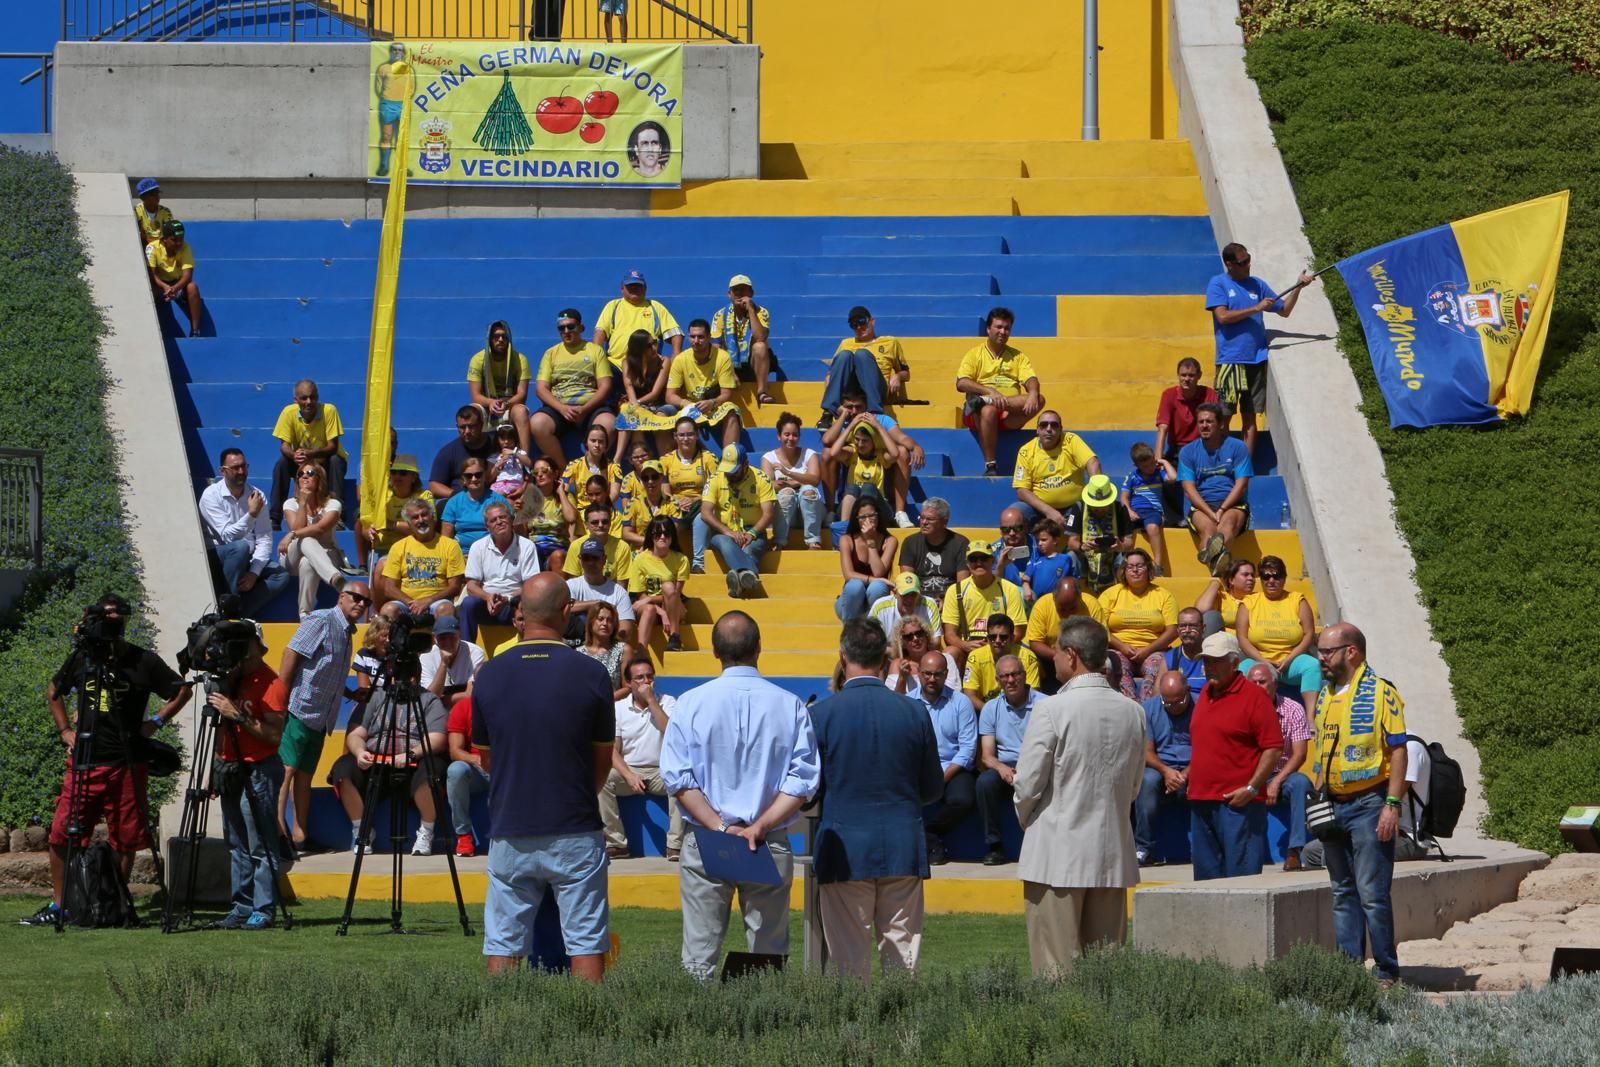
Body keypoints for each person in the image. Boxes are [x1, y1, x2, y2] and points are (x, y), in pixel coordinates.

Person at [471, 574, 615, 981]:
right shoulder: (591, 673)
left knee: (503, 942)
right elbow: (601, 760)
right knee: (585, 941)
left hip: (511, 823)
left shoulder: (491, 673)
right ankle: (589, 1029)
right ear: (566, 612)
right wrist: (577, 796)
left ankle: (500, 1027)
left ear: (523, 615)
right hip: (573, 824)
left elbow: (487, 759)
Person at [660, 611, 820, 979]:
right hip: (765, 837)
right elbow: (802, 781)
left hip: (708, 837)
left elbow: (679, 779)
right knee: (768, 954)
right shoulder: (789, 704)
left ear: (716, 651)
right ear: (759, 646)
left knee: (698, 956)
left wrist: (719, 826)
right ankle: (764, 1029)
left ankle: (694, 1029)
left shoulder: (690, 703)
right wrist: (759, 826)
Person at [25, 596, 191, 927]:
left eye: (118, 618)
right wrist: (65, 731)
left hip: (126, 763)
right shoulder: (83, 657)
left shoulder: (143, 661)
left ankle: (112, 902)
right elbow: (54, 691)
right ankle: (61, 905)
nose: (113, 624)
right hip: (85, 760)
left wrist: (155, 722)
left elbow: (181, 690)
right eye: (107, 617)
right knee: (62, 833)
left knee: (126, 837)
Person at [810, 618, 944, 979]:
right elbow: (933, 788)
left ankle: (855, 1036)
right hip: (901, 845)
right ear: (885, 659)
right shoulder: (914, 711)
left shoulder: (820, 715)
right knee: (902, 961)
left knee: (848, 963)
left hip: (844, 848)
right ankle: (903, 1034)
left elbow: (807, 791)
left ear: (842, 657)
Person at [1013, 616, 1146, 976]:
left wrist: (1031, 821)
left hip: (1057, 854)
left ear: (1071, 655)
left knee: (1055, 969)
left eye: (1056, 651)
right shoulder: (1133, 712)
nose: (1053, 658)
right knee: (1107, 970)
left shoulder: (1051, 709)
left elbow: (1026, 784)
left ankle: (1063, 1033)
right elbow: (1133, 787)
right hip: (1112, 854)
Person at [1309, 623, 1409, 987]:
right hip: (1333, 805)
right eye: (1320, 651)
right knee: (1342, 893)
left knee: (1372, 894)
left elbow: (1398, 750)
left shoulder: (1382, 693)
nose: (1320, 658)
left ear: (1351, 652)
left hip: (1370, 804)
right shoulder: (1325, 694)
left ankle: (1386, 971)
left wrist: (1392, 804)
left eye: (1327, 651)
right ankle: (1347, 972)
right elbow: (1321, 749)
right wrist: (1317, 798)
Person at [206, 626, 289, 929]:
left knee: (260, 844)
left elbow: (274, 736)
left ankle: (263, 909)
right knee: (236, 842)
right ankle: (241, 906)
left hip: (259, 768)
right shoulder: (231, 679)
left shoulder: (272, 683)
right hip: (230, 768)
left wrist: (237, 714)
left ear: (259, 647)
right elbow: (219, 730)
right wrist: (214, 767)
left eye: (245, 644)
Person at [275, 584, 366, 853]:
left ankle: (300, 836)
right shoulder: (321, 619)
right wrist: (279, 700)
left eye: (366, 601)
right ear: (342, 597)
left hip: (322, 715)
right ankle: (278, 834)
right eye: (356, 597)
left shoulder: (347, 631)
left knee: (304, 776)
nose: (361, 604)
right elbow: (291, 653)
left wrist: (349, 692)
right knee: (286, 772)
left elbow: (326, 669)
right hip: (299, 708)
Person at [1187, 631, 1283, 881]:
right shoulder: (1205, 695)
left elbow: (1273, 748)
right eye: (1206, 661)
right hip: (1201, 802)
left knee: (1241, 884)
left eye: (1216, 661)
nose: (1209, 667)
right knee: (1206, 887)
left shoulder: (1254, 698)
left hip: (1238, 806)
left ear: (1234, 662)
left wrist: (1252, 788)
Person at [1206, 243, 1316, 456]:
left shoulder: (1257, 284)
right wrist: (1255, 308)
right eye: (1243, 262)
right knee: (1224, 415)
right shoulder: (1218, 284)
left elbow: (1284, 310)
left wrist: (1298, 287)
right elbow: (1222, 317)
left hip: (1256, 360)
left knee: (1251, 415)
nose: (1248, 265)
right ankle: (1219, 460)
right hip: (1231, 360)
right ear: (1229, 264)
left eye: (1249, 259)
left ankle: (1245, 464)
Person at [1301, 736, 1435, 868]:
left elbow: (1392, 798)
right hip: (1368, 829)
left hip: (1406, 837)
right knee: (1310, 852)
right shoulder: (1374, 746)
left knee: (1334, 855)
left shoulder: (1409, 747)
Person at [601, 658, 683, 860]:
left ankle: (675, 845)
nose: (646, 681)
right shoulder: (619, 708)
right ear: (629, 683)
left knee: (683, 780)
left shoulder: (668, 702)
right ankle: (617, 844)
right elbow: (612, 749)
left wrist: (652, 701)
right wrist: (628, 774)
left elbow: (672, 734)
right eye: (639, 678)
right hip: (629, 771)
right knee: (601, 780)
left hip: (661, 771)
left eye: (649, 676)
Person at [199, 448, 290, 617]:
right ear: (223, 471)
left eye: (243, 466)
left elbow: (264, 537)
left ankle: (235, 613)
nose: (241, 472)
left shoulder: (257, 495)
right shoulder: (211, 496)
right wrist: (251, 514)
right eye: (235, 468)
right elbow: (228, 536)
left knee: (281, 576)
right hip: (219, 555)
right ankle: (228, 604)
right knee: (240, 547)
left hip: (246, 556)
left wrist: (254, 573)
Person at [1244, 661, 1315, 870]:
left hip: (1281, 774)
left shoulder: (1293, 709)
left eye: (1262, 682)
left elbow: (1300, 754)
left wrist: (1276, 781)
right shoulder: (1240, 710)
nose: (1257, 687)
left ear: (1275, 685)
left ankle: (1294, 850)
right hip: (1250, 773)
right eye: (1253, 683)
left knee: (1301, 783)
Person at [956, 307, 1042, 476]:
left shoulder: (1017, 356)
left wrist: (1033, 393)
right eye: (999, 327)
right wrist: (990, 392)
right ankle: (991, 465)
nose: (1003, 331)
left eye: (1007, 328)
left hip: (1007, 414)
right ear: (988, 329)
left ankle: (986, 401)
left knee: (1039, 399)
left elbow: (1031, 379)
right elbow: (961, 382)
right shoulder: (974, 354)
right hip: (978, 414)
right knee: (988, 410)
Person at [974, 655, 1040, 865]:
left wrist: (1031, 768)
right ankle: (994, 846)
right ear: (998, 679)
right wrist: (1001, 768)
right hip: (1006, 770)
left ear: (1024, 675)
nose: (1010, 680)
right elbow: (986, 755)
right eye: (1005, 676)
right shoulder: (990, 708)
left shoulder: (1045, 704)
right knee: (985, 782)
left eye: (1015, 674)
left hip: (1037, 767)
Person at [820, 394, 924, 527]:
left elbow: (900, 442)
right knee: (828, 454)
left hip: (880, 483)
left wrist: (915, 446)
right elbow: (827, 442)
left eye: (858, 407)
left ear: (867, 407)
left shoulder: (881, 420)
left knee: (902, 453)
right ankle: (832, 514)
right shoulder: (844, 424)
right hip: (853, 491)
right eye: (849, 407)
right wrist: (846, 419)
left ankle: (900, 512)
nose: (854, 411)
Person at [1237, 554, 1323, 712]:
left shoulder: (1297, 600)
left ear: (1284, 578)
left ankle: (1311, 717)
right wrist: (1262, 660)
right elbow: (1242, 638)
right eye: (1266, 576)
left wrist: (1289, 659)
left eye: (1276, 576)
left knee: (1313, 666)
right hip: (1259, 660)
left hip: (1291, 661)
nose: (1271, 581)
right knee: (1241, 670)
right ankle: (1245, 715)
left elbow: (1308, 634)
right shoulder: (1249, 603)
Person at [532, 309, 616, 467]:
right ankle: (565, 471)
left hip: (590, 407)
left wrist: (584, 409)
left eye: (570, 327)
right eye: (561, 328)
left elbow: (605, 386)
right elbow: (541, 388)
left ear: (581, 328)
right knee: (538, 423)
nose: (566, 331)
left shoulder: (595, 351)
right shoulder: (551, 353)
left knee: (609, 423)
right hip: (560, 408)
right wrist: (562, 408)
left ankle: (590, 467)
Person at [915, 650, 977, 865]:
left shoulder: (961, 703)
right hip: (919, 768)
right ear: (919, 674)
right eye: (927, 674)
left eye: (938, 674)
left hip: (953, 768)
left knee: (963, 799)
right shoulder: (907, 703)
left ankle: (929, 832)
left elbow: (968, 749)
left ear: (946, 674)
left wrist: (942, 778)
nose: (932, 679)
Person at [1179, 403, 1253, 578]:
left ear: (1220, 424)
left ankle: (1208, 555)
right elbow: (1189, 489)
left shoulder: (1238, 447)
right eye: (1201, 422)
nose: (1204, 425)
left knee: (1225, 526)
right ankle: (1217, 561)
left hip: (1233, 505)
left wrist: (1221, 510)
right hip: (1201, 506)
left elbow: (1241, 484)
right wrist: (1209, 512)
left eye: (1209, 421)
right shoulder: (1187, 452)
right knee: (1208, 529)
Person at [276, 462, 356, 619]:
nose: (304, 476)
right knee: (305, 540)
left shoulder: (333, 504)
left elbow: (320, 528)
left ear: (320, 479)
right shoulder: (290, 503)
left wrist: (292, 534)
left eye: (310, 473)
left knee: (307, 561)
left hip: (326, 554)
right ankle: (336, 579)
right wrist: (303, 503)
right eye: (300, 474)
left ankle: (304, 614)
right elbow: (296, 527)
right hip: (293, 555)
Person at [1098, 549, 1178, 699]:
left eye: (1140, 566)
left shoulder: (1163, 595)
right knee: (1116, 666)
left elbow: (1173, 630)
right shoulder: (1110, 594)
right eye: (1130, 567)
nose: (1135, 570)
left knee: (1156, 667)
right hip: (1119, 649)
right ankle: (1130, 707)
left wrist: (1147, 649)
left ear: (1148, 568)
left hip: (1153, 649)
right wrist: (1121, 646)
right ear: (1124, 571)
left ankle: (1147, 711)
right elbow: (1100, 628)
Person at [1134, 670, 1194, 866]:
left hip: (1195, 765)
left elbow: (1209, 749)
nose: (1171, 707)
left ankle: (1210, 845)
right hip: (1160, 766)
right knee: (1147, 781)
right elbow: (1146, 751)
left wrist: (1185, 774)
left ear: (1188, 691)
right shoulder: (1149, 708)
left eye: (1177, 702)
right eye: (1166, 702)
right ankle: (1144, 848)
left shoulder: (1203, 706)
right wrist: (1166, 771)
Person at [700, 444, 775, 599]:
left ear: (745, 465)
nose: (729, 475)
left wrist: (752, 533)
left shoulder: (761, 479)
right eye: (727, 470)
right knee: (725, 543)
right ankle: (749, 575)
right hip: (724, 531)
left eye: (733, 471)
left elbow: (768, 513)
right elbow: (705, 513)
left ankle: (738, 581)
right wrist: (730, 533)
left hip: (753, 530)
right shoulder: (715, 478)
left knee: (749, 549)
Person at [269, 379, 348, 527]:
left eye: (313, 397)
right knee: (281, 463)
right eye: (304, 398)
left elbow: (333, 446)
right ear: (296, 400)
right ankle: (274, 517)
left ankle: (338, 516)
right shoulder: (288, 412)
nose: (309, 402)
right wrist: (294, 456)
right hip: (302, 463)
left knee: (336, 460)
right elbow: (284, 446)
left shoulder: (329, 410)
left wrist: (311, 454)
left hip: (326, 461)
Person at [460, 502, 540, 642]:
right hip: (487, 603)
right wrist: (488, 598)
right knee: (468, 603)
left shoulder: (527, 546)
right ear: (487, 527)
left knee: (529, 606)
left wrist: (507, 599)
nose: (499, 522)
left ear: (511, 519)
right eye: (493, 520)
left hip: (514, 603)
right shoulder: (477, 547)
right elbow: (472, 585)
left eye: (503, 517)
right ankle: (467, 653)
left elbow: (531, 585)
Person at [817, 306, 909, 427]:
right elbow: (832, 374)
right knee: (845, 355)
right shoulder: (846, 343)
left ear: (872, 321)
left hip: (876, 387)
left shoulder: (890, 342)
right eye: (854, 325)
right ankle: (828, 412)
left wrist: (897, 376)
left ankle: (875, 412)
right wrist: (829, 380)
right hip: (851, 390)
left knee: (862, 355)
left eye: (861, 322)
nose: (859, 327)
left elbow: (906, 373)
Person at [941, 543, 1026, 672]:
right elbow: (949, 633)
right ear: (967, 563)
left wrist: (994, 644)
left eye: (984, 558)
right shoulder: (955, 590)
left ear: (993, 560)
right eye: (973, 559)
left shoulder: (1009, 589)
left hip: (1000, 644)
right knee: (949, 653)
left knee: (1025, 655)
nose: (979, 563)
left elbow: (1018, 630)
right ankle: (952, 692)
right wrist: (964, 645)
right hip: (968, 647)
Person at [1011, 410, 1100, 525]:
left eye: (1054, 425)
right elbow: (1022, 490)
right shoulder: (1025, 451)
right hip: (1039, 509)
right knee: (1013, 516)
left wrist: (1096, 490)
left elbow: (1092, 462)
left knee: (1087, 515)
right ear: (1037, 430)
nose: (1049, 429)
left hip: (1073, 507)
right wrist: (1048, 511)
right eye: (1043, 425)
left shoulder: (1071, 440)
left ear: (1060, 429)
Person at [376, 499, 465, 613]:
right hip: (406, 603)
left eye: (424, 515)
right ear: (409, 524)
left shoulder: (451, 545)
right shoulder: (398, 547)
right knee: (388, 610)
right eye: (415, 517)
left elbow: (455, 587)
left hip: (437, 602)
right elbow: (389, 588)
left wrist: (428, 601)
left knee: (446, 609)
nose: (421, 520)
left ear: (432, 517)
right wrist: (412, 603)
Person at [666, 319, 743, 447]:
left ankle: (730, 460)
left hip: (713, 406)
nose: (696, 341)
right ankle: (668, 462)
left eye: (700, 337)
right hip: (688, 406)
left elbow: (727, 394)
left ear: (709, 337)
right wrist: (688, 405)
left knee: (732, 411)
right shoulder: (680, 359)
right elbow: (669, 396)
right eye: (692, 337)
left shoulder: (723, 357)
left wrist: (712, 402)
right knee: (662, 412)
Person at [357, 454, 433, 574]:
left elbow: (425, 527)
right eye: (394, 472)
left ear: (414, 477)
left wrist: (390, 524)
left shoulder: (424, 496)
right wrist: (369, 532)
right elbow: (365, 529)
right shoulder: (381, 496)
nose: (397, 476)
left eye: (403, 473)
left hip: (414, 548)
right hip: (383, 548)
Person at [1064, 474, 1139, 594]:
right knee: (1070, 556)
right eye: (1096, 506)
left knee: (1126, 558)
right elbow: (1072, 541)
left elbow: (1129, 543)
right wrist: (1082, 546)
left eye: (1103, 506)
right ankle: (1074, 592)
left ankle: (1123, 593)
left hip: (1113, 557)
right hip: (1085, 558)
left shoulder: (1120, 509)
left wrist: (1120, 547)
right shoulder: (1078, 507)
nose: (1099, 510)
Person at [468, 321, 534, 455]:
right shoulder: (477, 360)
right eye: (496, 336)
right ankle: (474, 459)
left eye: (504, 336)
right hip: (488, 404)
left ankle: (524, 460)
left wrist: (507, 404)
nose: (500, 340)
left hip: (511, 404)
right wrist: (490, 403)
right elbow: (475, 395)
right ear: (489, 339)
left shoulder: (520, 359)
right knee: (472, 412)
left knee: (521, 412)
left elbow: (522, 394)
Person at [661, 416, 718, 572]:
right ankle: (665, 560)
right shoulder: (666, 461)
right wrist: (676, 502)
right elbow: (664, 492)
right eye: (681, 435)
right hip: (676, 505)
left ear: (697, 435)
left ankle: (698, 563)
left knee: (702, 515)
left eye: (690, 434)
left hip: (701, 504)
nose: (686, 439)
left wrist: (694, 500)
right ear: (675, 436)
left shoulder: (708, 458)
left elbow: (716, 489)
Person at [760, 412, 824, 549]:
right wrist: (800, 480)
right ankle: (779, 541)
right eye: (786, 434)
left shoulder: (809, 454)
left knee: (808, 491)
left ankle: (813, 541)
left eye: (795, 435)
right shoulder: (768, 458)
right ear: (779, 436)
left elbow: (815, 480)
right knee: (787, 493)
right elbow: (769, 485)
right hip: (785, 511)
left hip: (809, 512)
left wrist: (787, 473)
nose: (791, 438)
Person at [595, 269, 683, 364]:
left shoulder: (655, 307)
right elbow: (600, 331)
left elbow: (675, 333)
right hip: (615, 364)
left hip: (649, 365)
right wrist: (596, 358)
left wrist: (675, 356)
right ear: (622, 288)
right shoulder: (613, 306)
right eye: (630, 286)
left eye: (638, 286)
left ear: (645, 288)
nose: (634, 288)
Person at [712, 274, 775, 405]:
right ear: (729, 294)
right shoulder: (720, 315)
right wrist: (728, 371)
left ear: (751, 293)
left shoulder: (761, 312)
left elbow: (760, 337)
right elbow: (716, 347)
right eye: (736, 290)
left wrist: (751, 310)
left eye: (744, 289)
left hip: (752, 364)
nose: (740, 293)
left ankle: (762, 391)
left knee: (760, 346)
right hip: (729, 364)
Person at [629, 516, 689, 652]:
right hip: (649, 607)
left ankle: (675, 636)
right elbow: (641, 596)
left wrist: (653, 600)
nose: (662, 537)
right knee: (649, 609)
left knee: (668, 586)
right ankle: (641, 651)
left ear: (672, 536)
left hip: (673, 605)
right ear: (651, 536)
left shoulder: (681, 559)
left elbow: (675, 595)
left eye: (666, 533)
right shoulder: (640, 559)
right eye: (658, 534)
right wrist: (660, 611)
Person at [894, 496, 971, 603]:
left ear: (944, 522)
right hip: (917, 600)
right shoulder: (910, 542)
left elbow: (962, 584)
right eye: (922, 518)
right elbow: (907, 581)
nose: (924, 522)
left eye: (930, 519)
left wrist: (947, 602)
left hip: (950, 600)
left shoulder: (960, 543)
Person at [615, 330, 674, 466]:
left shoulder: (664, 361)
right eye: (649, 346)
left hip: (660, 405)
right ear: (639, 348)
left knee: (657, 414)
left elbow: (655, 393)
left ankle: (665, 464)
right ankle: (619, 461)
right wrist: (634, 404)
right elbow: (629, 387)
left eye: (654, 343)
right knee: (628, 411)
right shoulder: (627, 363)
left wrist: (637, 403)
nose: (654, 348)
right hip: (639, 405)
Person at [834, 496, 898, 621]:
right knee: (855, 586)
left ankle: (876, 633)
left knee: (877, 587)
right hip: (850, 602)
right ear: (856, 519)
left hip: (876, 597)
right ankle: (850, 636)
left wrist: (870, 541)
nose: (868, 521)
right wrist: (875, 579)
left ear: (878, 516)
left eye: (872, 516)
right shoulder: (846, 540)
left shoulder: (890, 541)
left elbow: (879, 572)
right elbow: (848, 574)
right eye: (862, 517)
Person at [826, 417, 900, 525]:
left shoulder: (880, 456)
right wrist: (851, 426)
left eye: (864, 440)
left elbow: (895, 454)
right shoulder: (853, 453)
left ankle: (869, 528)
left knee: (868, 487)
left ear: (873, 441)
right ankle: (844, 529)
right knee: (852, 488)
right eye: (857, 439)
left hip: (878, 511)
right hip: (852, 509)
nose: (860, 444)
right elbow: (833, 453)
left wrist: (878, 427)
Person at [567, 536, 639, 647]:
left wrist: (599, 641)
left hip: (608, 648)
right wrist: (598, 603)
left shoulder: (619, 592)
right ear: (580, 560)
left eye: (595, 558)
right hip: (577, 646)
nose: (590, 562)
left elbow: (626, 631)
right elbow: (562, 610)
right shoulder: (571, 585)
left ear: (604, 559)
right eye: (586, 558)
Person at [1120, 442, 1178, 578]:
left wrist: (1163, 461)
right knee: (1123, 527)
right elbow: (1124, 497)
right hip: (1135, 511)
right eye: (1145, 466)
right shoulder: (1132, 477)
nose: (1150, 468)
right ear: (1137, 466)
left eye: (1152, 463)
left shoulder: (1159, 473)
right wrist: (1129, 510)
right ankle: (1123, 562)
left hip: (1152, 511)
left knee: (1152, 527)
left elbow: (1173, 478)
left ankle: (1157, 566)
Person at [1154, 357, 1219, 468]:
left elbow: (1216, 426)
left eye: (1191, 375)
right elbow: (1162, 428)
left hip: (1203, 448)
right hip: (1177, 451)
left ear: (1199, 376)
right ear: (1178, 375)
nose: (1187, 379)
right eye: (1183, 375)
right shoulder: (1169, 395)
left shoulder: (1209, 394)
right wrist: (1158, 461)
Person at [962, 614, 1040, 706]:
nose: (998, 641)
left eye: (1003, 637)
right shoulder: (975, 657)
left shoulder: (1028, 657)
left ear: (1012, 638)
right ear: (988, 638)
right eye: (993, 637)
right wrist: (991, 713)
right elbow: (969, 695)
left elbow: (1033, 694)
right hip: (985, 710)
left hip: (1019, 709)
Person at [429, 404, 502, 502]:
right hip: (461, 504)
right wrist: (460, 497)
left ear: (481, 425)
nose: (467, 431)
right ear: (457, 427)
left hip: (494, 500)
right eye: (462, 427)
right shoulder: (448, 452)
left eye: (471, 426)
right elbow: (434, 486)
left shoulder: (497, 444)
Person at [445, 695, 487, 857]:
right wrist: (475, 759)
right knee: (456, 770)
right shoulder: (463, 707)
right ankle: (463, 835)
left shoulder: (511, 704)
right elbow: (454, 751)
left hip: (505, 771)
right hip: (476, 771)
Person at [440, 457, 510, 555]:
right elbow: (446, 540)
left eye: (478, 475)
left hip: (494, 554)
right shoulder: (454, 502)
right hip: (462, 556)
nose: (474, 479)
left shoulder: (498, 500)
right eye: (468, 476)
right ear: (463, 479)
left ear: (485, 476)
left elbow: (510, 531)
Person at [146, 219, 203, 336]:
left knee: (193, 287)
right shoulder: (152, 248)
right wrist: (165, 286)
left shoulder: (186, 248)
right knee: (148, 290)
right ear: (165, 238)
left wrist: (174, 288)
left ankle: (195, 331)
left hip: (178, 284)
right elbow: (151, 274)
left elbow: (187, 276)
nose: (178, 243)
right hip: (160, 285)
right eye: (174, 240)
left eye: (181, 239)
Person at [517, 456, 569, 572]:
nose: (540, 475)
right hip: (534, 548)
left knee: (558, 556)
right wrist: (518, 514)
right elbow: (523, 534)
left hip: (558, 548)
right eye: (536, 472)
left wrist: (561, 493)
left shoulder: (565, 497)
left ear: (555, 473)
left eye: (544, 470)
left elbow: (571, 518)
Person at [884, 616, 957, 697]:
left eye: (919, 634)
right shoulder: (897, 665)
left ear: (926, 635)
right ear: (902, 643)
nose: (915, 639)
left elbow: (953, 692)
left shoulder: (945, 659)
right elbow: (894, 699)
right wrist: (902, 678)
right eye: (909, 637)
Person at [576, 600, 634, 701]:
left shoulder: (623, 650)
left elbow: (628, 687)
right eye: (600, 619)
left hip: (614, 706)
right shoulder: (578, 653)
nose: (605, 623)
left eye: (610, 620)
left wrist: (604, 700)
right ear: (591, 622)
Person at [562, 502, 633, 583]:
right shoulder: (576, 546)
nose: (600, 525)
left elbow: (621, 585)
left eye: (605, 522)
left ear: (610, 523)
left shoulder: (622, 547)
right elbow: (574, 584)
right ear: (586, 525)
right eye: (595, 522)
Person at [420, 614, 486, 701]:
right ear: (434, 638)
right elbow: (429, 699)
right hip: (437, 712)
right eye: (442, 638)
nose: (448, 642)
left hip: (464, 708)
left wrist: (442, 700)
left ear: (459, 635)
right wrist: (444, 663)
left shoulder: (475, 652)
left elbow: (471, 695)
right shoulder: (426, 656)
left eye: (452, 637)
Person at [620, 460, 681, 549]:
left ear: (661, 478)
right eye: (645, 478)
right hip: (639, 551)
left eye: (654, 477)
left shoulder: (673, 503)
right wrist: (648, 542)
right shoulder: (633, 503)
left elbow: (673, 532)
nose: (650, 481)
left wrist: (652, 543)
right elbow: (626, 534)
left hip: (665, 550)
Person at [373, 43, 413, 176]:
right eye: (394, 49)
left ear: (403, 53)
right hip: (387, 105)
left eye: (400, 50)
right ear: (390, 51)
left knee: (402, 138)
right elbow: (378, 88)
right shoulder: (383, 68)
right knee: (386, 136)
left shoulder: (408, 69)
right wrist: (387, 98)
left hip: (403, 106)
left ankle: (403, 168)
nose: (397, 52)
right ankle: (384, 166)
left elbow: (411, 89)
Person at [1195, 557, 1257, 637]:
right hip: (1223, 644)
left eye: (1252, 575)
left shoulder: (1258, 598)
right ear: (1231, 580)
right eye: (1245, 575)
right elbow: (1201, 610)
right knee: (1210, 616)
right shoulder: (1222, 597)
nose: (1251, 578)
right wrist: (1215, 583)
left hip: (1250, 644)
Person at [1021, 519, 1076, 608]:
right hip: (1037, 603)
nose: (1040, 543)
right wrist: (1026, 588)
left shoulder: (1065, 559)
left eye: (1043, 540)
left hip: (1057, 604)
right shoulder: (1035, 559)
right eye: (1038, 540)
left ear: (1055, 540)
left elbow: (1073, 580)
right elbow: (1026, 578)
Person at [870, 572, 938, 637]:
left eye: (913, 594)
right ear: (895, 593)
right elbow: (871, 642)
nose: (909, 599)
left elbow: (936, 641)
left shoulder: (929, 604)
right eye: (904, 595)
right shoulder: (880, 606)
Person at [1161, 607, 1208, 699]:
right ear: (1178, 630)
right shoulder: (1170, 658)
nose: (1187, 630)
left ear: (1203, 628)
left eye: (1193, 625)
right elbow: (1158, 694)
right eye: (1183, 626)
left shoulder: (1213, 656)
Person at [132, 176, 171, 247]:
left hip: (162, 248)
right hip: (144, 248)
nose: (157, 196)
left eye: (158, 193)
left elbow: (169, 234)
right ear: (143, 197)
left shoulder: (165, 212)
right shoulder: (136, 211)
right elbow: (136, 235)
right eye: (153, 194)